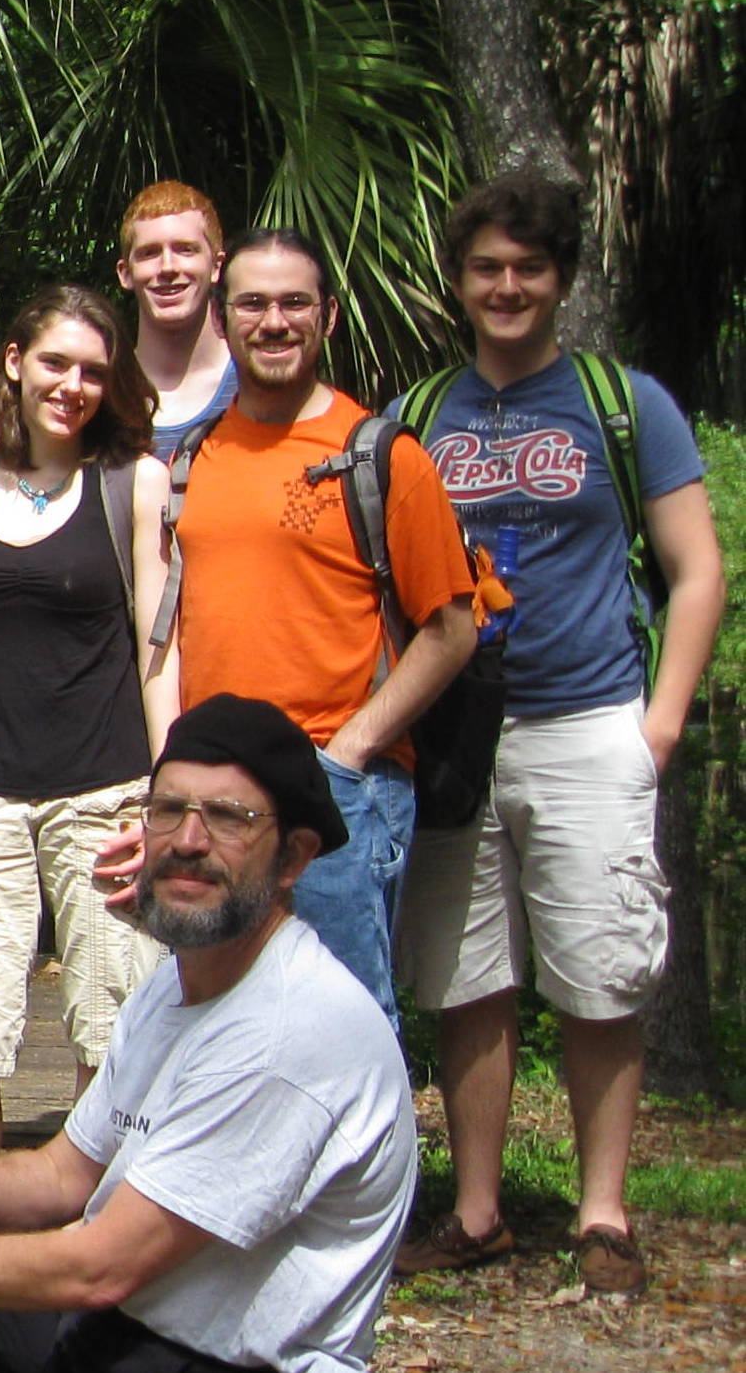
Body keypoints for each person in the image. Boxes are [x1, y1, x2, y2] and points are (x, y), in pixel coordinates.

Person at [0, 694, 417, 1373]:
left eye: (228, 818)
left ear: (295, 857)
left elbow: (98, 1269)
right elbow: (62, 1172)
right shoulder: (173, 985)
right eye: (169, 810)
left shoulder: (287, 1029)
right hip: (127, 1328)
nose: (188, 841)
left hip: (226, 1359)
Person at [390, 173, 722, 1296]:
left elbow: (695, 570)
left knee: (600, 973)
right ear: (457, 281)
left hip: (587, 719)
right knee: (466, 974)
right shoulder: (418, 415)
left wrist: (659, 725)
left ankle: (602, 1214)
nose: (507, 286)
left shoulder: (623, 404)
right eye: (486, 267)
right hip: (456, 735)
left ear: (561, 279)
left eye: (528, 267)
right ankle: (477, 1210)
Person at [154, 229, 480, 1027]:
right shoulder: (193, 458)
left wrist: (351, 750)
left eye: (294, 302)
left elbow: (452, 629)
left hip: (333, 792)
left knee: (343, 1023)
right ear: (222, 320)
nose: (274, 321)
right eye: (253, 304)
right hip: (213, 797)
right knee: (212, 1023)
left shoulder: (380, 455)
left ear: (327, 317)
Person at [0, 287, 177, 1170]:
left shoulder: (132, 481)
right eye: (56, 363)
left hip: (108, 797)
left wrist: (168, 797)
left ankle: (98, 1220)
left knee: (112, 1024)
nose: (73, 386)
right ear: (16, 363)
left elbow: (158, 651)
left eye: (93, 371)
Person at [114, 181, 235, 458]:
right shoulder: (100, 392)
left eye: (185, 249)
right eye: (149, 253)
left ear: (216, 266)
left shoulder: (257, 383)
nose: (167, 267)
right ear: (125, 274)